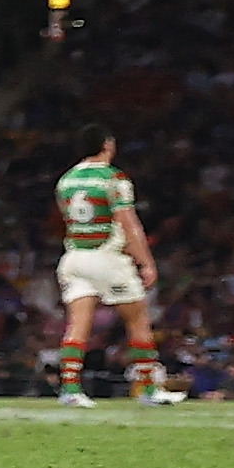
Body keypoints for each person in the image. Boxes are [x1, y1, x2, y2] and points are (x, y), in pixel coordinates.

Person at [51, 133, 175, 405]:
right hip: (107, 256)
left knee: (78, 324)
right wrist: (146, 262)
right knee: (137, 319)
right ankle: (148, 389)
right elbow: (129, 224)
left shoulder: (66, 180)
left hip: (74, 256)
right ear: (107, 146)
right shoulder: (114, 179)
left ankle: (70, 389)